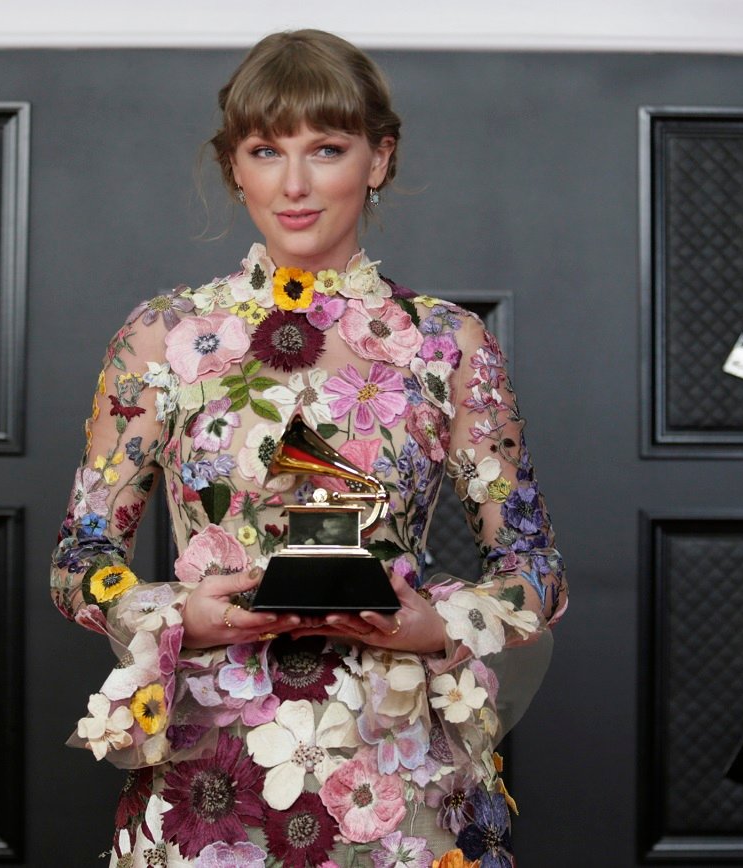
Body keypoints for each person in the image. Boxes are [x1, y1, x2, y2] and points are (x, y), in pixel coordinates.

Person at [50, 29, 567, 868]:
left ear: (379, 159)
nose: (294, 184)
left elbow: (535, 570)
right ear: (235, 167)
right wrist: (180, 616)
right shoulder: (164, 337)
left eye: (326, 148)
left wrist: (438, 627)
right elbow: (82, 558)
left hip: (401, 781)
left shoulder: (449, 344)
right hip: (205, 784)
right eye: (265, 150)